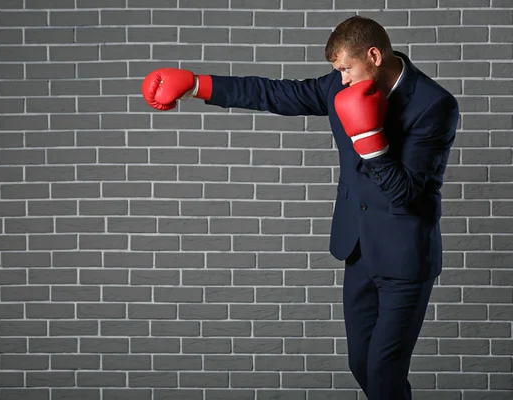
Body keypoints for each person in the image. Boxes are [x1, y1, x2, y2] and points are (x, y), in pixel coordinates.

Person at [141, 15, 459, 400]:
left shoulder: (434, 104)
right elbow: (274, 94)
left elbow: (406, 193)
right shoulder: (339, 84)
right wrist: (196, 85)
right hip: (358, 251)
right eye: (337, 71)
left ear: (373, 55)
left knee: (383, 370)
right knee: (361, 365)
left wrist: (371, 141)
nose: (340, 80)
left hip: (405, 258)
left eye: (346, 69)